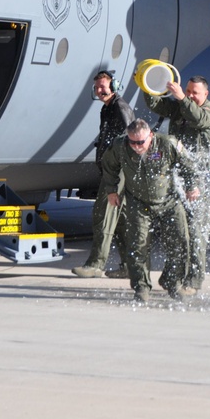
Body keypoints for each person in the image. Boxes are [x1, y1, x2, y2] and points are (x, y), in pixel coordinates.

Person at [99, 119, 199, 302]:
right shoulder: (121, 146)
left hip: (169, 202)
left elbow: (189, 165)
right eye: (133, 142)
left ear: (150, 136)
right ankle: (141, 288)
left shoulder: (167, 144)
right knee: (138, 245)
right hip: (138, 202)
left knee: (180, 241)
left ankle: (172, 281)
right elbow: (109, 165)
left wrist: (191, 186)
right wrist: (112, 190)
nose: (136, 146)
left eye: (141, 142)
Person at [144, 75, 210, 294]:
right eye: (188, 91)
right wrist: (147, 84)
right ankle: (172, 277)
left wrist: (181, 99)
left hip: (199, 181)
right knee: (175, 231)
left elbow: (196, 118)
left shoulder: (208, 113)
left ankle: (194, 281)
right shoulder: (180, 107)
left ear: (206, 94)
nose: (190, 95)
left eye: (195, 92)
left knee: (195, 231)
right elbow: (155, 104)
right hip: (178, 176)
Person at [72, 70, 134, 279]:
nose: (100, 91)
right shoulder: (107, 109)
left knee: (103, 215)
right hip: (114, 168)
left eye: (103, 87)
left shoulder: (119, 107)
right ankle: (129, 266)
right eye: (97, 88)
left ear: (114, 87)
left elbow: (131, 135)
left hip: (117, 171)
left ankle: (95, 264)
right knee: (122, 220)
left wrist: (116, 165)